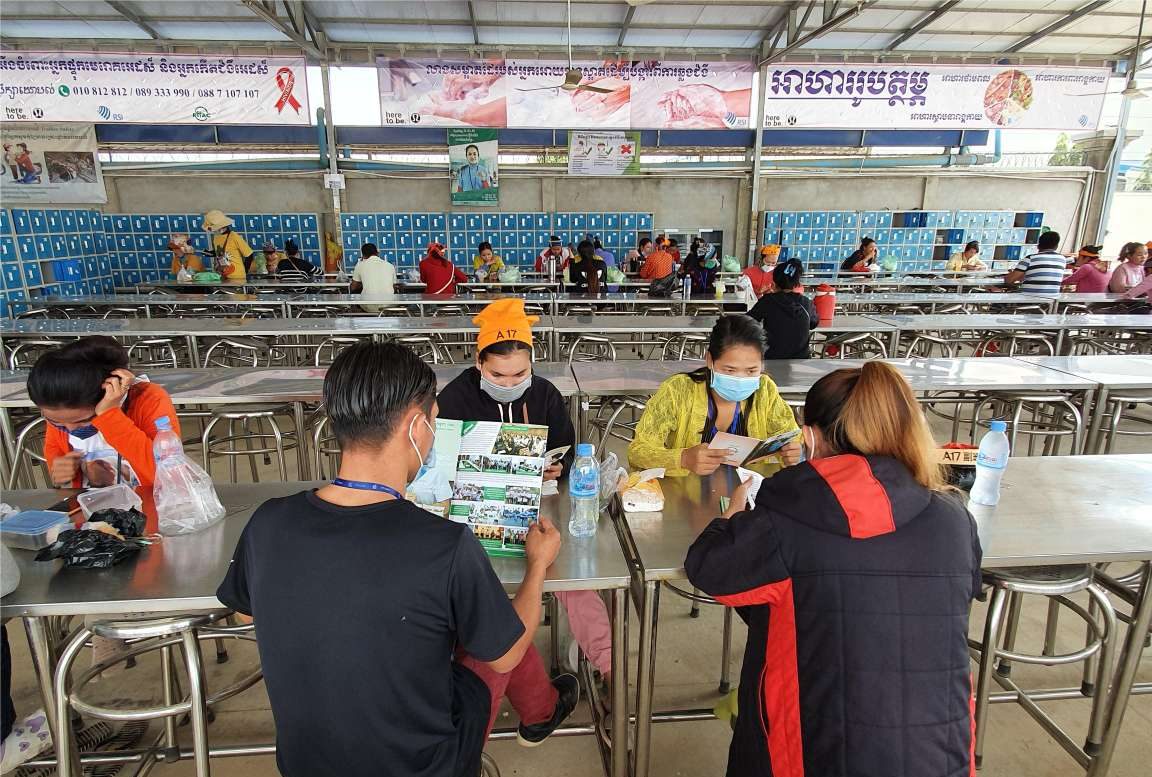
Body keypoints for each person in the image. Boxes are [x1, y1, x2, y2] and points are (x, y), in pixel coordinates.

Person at [217, 341, 575, 777]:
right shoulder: (443, 544)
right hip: (426, 766)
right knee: (493, 633)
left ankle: (541, 707)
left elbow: (242, 615)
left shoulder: (267, 522)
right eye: (435, 425)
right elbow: (505, 656)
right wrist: (537, 566)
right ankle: (540, 712)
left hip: (304, 763)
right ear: (414, 426)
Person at [684, 361, 981, 777]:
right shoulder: (954, 518)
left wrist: (730, 521)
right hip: (940, 752)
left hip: (812, 753)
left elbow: (710, 570)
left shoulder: (786, 514)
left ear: (808, 437)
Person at [436, 299, 614, 684]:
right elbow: (438, 466)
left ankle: (608, 665)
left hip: (540, 511)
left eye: (520, 374)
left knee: (573, 580)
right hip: (474, 520)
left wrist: (557, 466)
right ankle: (487, 675)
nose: (510, 384)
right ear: (478, 362)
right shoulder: (453, 400)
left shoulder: (545, 395)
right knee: (475, 593)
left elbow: (565, 450)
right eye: (498, 376)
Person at [629, 315, 801, 477]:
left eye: (751, 370)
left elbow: (792, 437)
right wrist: (683, 458)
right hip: (686, 497)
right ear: (710, 360)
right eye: (730, 370)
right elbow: (638, 451)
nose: (740, 379)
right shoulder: (678, 391)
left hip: (748, 493)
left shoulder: (764, 390)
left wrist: (793, 453)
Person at [27, 336, 180, 489]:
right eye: (55, 422)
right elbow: (59, 466)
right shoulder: (61, 411)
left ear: (111, 392)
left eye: (82, 421)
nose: (70, 429)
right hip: (91, 505)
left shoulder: (149, 399)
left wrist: (109, 415)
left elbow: (167, 477)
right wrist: (60, 474)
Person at [747, 259, 818, 359]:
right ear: (796, 283)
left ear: (774, 281)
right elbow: (813, 324)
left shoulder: (768, 300)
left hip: (772, 358)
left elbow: (748, 320)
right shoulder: (806, 302)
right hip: (801, 360)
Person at [1004, 230, 1066, 296]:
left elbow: (1009, 281)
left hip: (1029, 300)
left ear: (1038, 246)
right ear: (1056, 246)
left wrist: (1011, 275)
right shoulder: (1062, 259)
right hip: (1051, 302)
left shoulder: (1030, 259)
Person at [202, 209, 252, 281]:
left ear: (221, 227)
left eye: (212, 228)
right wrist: (210, 253)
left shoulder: (234, 236)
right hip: (223, 275)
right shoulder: (216, 238)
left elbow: (249, 255)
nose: (211, 230)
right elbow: (221, 253)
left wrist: (245, 271)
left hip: (238, 277)